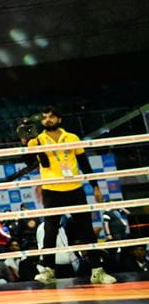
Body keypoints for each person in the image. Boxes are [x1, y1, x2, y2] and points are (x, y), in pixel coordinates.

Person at [24, 107, 117, 285]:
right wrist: (26, 143)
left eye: (51, 116)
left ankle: (97, 271)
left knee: (87, 229)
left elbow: (84, 163)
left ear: (59, 119)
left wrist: (95, 186)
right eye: (44, 118)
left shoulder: (72, 137)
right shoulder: (37, 140)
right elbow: (29, 163)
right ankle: (48, 271)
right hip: (51, 190)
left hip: (75, 188)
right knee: (50, 231)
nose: (48, 120)